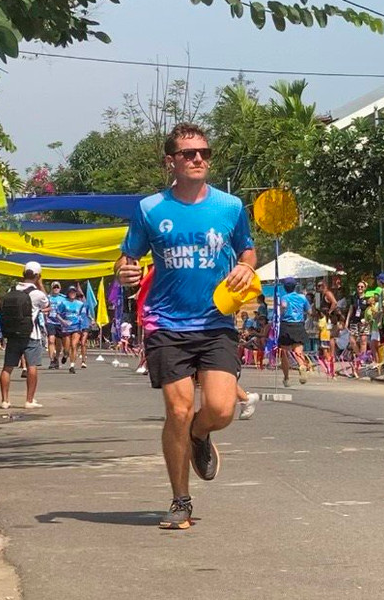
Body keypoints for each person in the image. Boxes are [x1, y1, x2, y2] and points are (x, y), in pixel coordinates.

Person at [115, 122, 256, 531]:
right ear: (170, 161)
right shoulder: (150, 209)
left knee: (221, 409)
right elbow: (127, 258)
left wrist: (246, 266)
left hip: (217, 323)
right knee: (177, 410)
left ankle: (200, 434)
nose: (198, 159)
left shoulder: (230, 206)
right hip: (165, 323)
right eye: (189, 153)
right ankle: (180, 500)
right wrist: (124, 272)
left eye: (205, 153)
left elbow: (246, 248)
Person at [0, 261, 50, 410]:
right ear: (38, 276)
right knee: (32, 366)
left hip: (13, 334)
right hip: (31, 334)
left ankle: (5, 400)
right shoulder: (37, 294)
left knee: (7, 367)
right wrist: (40, 284)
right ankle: (29, 400)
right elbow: (47, 304)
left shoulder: (11, 289)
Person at [276, 277, 312, 388]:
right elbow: (309, 311)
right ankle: (301, 366)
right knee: (298, 351)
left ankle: (286, 378)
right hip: (299, 325)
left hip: (286, 325)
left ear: (285, 287)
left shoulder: (284, 297)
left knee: (284, 353)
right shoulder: (302, 297)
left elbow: (283, 306)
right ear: (295, 286)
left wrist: (281, 313)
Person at [57, 286, 84, 374]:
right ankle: (65, 354)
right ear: (68, 293)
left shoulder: (80, 304)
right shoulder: (63, 303)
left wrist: (86, 321)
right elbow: (57, 314)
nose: (72, 294)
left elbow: (83, 314)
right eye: (71, 292)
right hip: (66, 327)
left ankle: (72, 365)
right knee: (67, 348)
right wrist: (63, 321)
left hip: (76, 327)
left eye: (74, 292)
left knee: (74, 345)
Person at [45, 281, 64, 369]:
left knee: (59, 343)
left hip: (60, 322)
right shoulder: (48, 297)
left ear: (60, 288)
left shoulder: (63, 298)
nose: (56, 288)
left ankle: (56, 358)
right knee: (51, 340)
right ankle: (52, 360)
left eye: (57, 287)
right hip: (50, 321)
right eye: (54, 287)